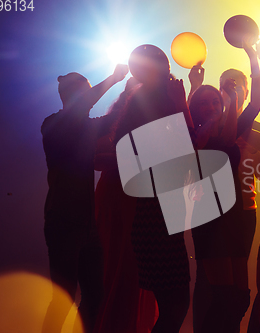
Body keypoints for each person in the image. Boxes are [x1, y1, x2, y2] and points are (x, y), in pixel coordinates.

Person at [112, 44, 194, 333]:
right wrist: (182, 102)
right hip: (154, 216)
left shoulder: (143, 104)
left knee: (174, 305)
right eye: (165, 67)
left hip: (158, 215)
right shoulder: (153, 106)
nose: (170, 73)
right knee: (176, 306)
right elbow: (189, 148)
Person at [41, 64, 128, 333]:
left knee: (94, 295)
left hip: (84, 223)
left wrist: (132, 90)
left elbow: (117, 116)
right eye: (87, 92)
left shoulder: (84, 127)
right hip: (63, 221)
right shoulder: (53, 123)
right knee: (64, 296)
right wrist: (114, 79)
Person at [190, 35, 260, 333]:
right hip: (208, 216)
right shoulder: (189, 132)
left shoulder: (231, 131)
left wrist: (254, 57)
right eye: (203, 102)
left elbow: (257, 101)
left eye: (214, 101)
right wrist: (195, 87)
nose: (210, 105)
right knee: (221, 297)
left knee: (239, 297)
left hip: (234, 215)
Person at [93, 77, 158, 333]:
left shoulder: (154, 122)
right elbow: (95, 159)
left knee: (136, 269)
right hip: (114, 198)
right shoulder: (113, 121)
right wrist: (130, 159)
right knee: (113, 265)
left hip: (141, 198)